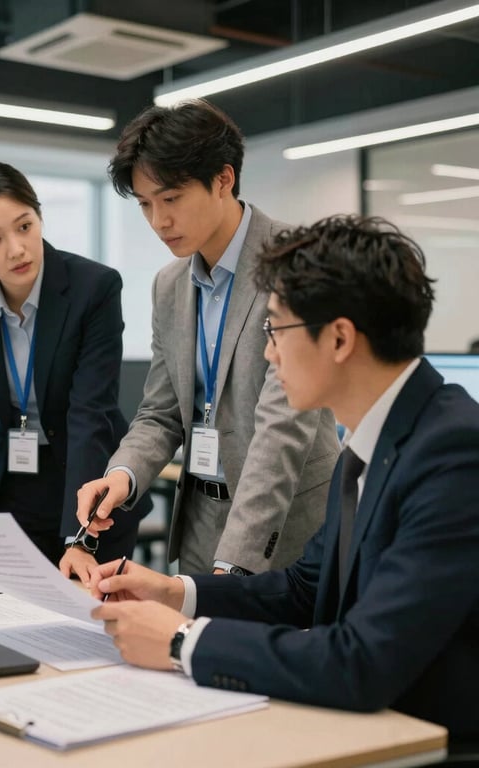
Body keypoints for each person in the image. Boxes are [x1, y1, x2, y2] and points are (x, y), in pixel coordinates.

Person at [89, 215, 479, 744]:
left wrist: (184, 642)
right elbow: (304, 588)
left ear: (339, 338)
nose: (269, 352)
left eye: (276, 329)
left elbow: (361, 661)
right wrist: (173, 592)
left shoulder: (454, 454)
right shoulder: (373, 439)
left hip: (425, 741)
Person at [76, 99, 339, 575]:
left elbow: (284, 427)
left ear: (223, 179)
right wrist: (122, 473)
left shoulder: (297, 261)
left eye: (171, 199)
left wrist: (232, 565)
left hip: (286, 530)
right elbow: (160, 411)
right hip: (198, 520)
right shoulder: (169, 285)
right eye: (145, 205)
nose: (158, 221)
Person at [0, 161, 151, 577]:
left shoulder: (94, 287)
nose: (16, 248)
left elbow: (89, 413)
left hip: (92, 486)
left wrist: (81, 537)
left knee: (87, 625)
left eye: (24, 226)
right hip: (12, 486)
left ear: (39, 217)